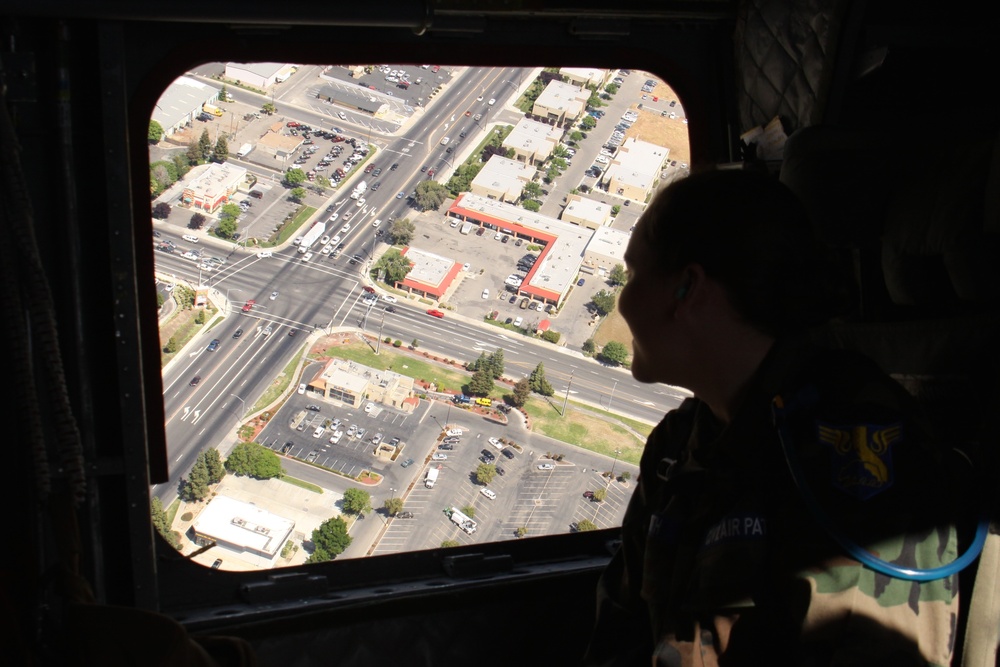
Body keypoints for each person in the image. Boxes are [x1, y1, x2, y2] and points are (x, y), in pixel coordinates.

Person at [583, 169, 962, 666]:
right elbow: (620, 632)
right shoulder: (680, 446)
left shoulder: (850, 463)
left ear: (687, 289)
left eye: (634, 275)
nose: (623, 300)